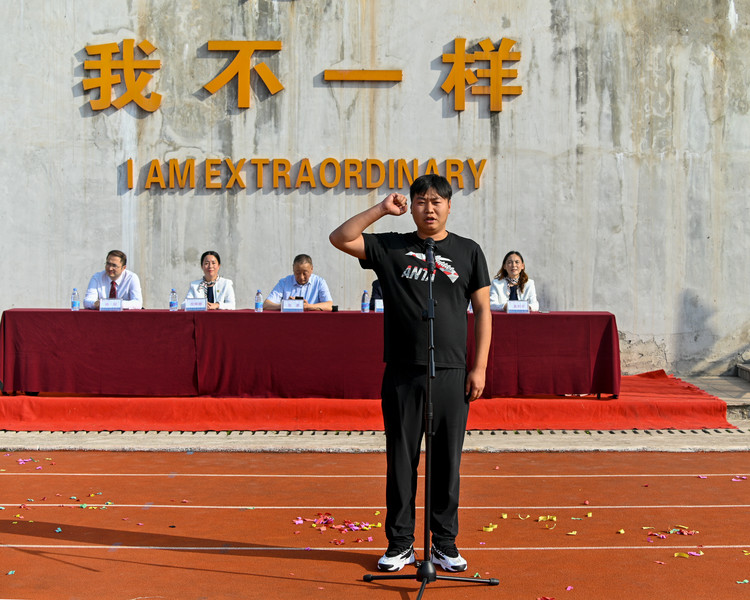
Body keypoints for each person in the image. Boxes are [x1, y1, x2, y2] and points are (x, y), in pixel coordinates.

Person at [329, 174, 492, 574]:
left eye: (436, 201)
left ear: (449, 206)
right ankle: (400, 544)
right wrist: (382, 209)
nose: (429, 208)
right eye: (421, 201)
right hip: (403, 371)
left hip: (451, 371)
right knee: (401, 460)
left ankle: (444, 543)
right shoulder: (392, 247)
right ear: (412, 206)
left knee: (447, 462)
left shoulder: (469, 251)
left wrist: (479, 367)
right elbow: (340, 237)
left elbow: (483, 311)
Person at [263, 254, 333, 311]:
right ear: (293, 269)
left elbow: (329, 305)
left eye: (305, 273)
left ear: (311, 269)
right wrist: (287, 305)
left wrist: (308, 306)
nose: (301, 277)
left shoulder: (319, 282)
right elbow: (266, 305)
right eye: (297, 273)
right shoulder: (284, 282)